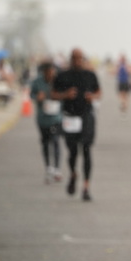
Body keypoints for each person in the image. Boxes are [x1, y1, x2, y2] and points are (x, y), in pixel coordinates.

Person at [52, 48, 102, 201]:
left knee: (86, 150)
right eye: (75, 58)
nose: (77, 61)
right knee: (72, 152)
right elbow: (52, 94)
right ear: (71, 59)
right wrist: (65, 95)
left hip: (86, 116)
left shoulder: (90, 75)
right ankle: (73, 173)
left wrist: (92, 97)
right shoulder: (62, 75)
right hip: (70, 117)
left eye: (80, 58)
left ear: (83, 59)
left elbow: (99, 92)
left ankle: (86, 187)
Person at [30, 61, 63, 183]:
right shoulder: (37, 81)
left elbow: (64, 94)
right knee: (45, 143)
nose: (51, 75)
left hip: (56, 118)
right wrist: (37, 97)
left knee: (55, 141)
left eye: (52, 72)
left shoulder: (58, 81)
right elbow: (31, 94)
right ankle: (48, 167)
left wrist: (59, 97)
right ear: (44, 72)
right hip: (42, 118)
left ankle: (57, 169)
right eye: (48, 73)